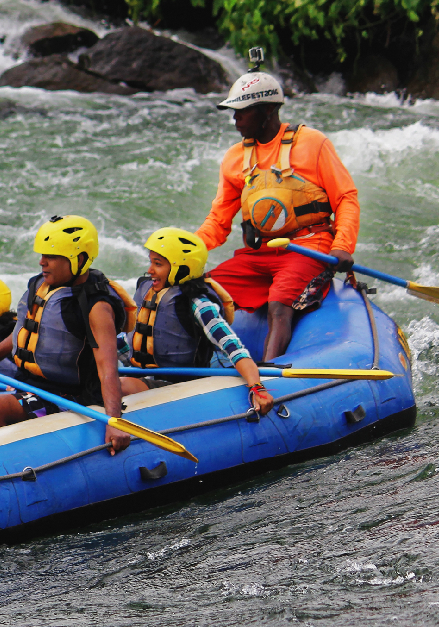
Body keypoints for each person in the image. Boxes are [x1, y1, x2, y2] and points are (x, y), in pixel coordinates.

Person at [196, 55, 359, 361]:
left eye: (242, 113)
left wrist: (342, 245)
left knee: (280, 301)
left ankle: (269, 375)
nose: (235, 120)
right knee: (201, 292)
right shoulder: (234, 158)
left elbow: (346, 198)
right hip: (260, 254)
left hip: (308, 246)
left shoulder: (313, 143)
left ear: (268, 110)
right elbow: (218, 221)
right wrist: (187, 251)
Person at [0, 215, 134, 454]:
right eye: (42, 255)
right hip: (31, 387)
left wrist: (114, 422)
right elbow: (27, 331)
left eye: (51, 256)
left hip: (70, 398)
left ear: (79, 259)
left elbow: (107, 368)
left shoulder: (96, 307)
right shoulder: (40, 286)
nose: (42, 262)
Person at [119, 228, 274, 416]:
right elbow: (127, 338)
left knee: (121, 385)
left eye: (157, 264)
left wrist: (256, 386)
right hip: (137, 371)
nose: (150, 270)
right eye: (151, 262)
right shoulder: (148, 290)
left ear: (182, 268)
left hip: (177, 384)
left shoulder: (198, 305)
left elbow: (234, 348)